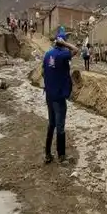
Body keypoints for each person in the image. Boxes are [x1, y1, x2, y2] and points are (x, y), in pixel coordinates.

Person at [42, 32, 77, 163]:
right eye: (66, 41)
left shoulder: (48, 54)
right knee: (60, 127)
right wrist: (64, 44)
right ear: (62, 42)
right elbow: (75, 50)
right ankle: (61, 156)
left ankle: (47, 154)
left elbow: (43, 72)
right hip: (58, 97)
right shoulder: (62, 54)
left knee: (51, 124)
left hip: (49, 96)